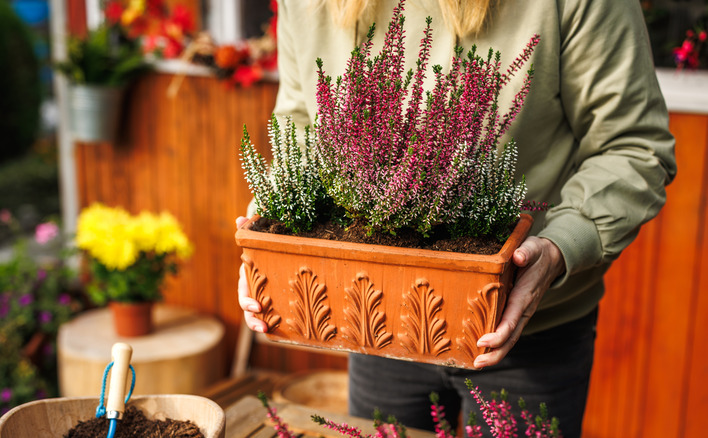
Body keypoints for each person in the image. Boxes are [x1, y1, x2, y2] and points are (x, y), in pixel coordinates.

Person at [236, 0, 677, 436]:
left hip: (528, 331)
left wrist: (561, 245)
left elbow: (634, 147)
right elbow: (299, 124)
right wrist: (269, 236)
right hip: (373, 316)